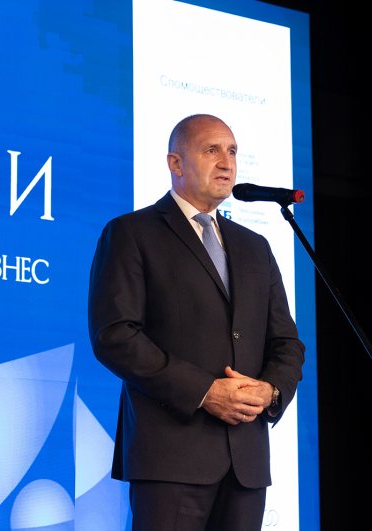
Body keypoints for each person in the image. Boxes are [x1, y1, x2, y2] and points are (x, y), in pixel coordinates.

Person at [87, 113, 305, 531]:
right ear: (176, 163)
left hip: (246, 462)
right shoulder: (131, 233)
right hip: (170, 457)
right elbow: (114, 335)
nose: (226, 162)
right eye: (211, 150)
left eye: (232, 151)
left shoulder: (255, 246)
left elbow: (286, 342)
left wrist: (271, 390)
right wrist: (205, 391)